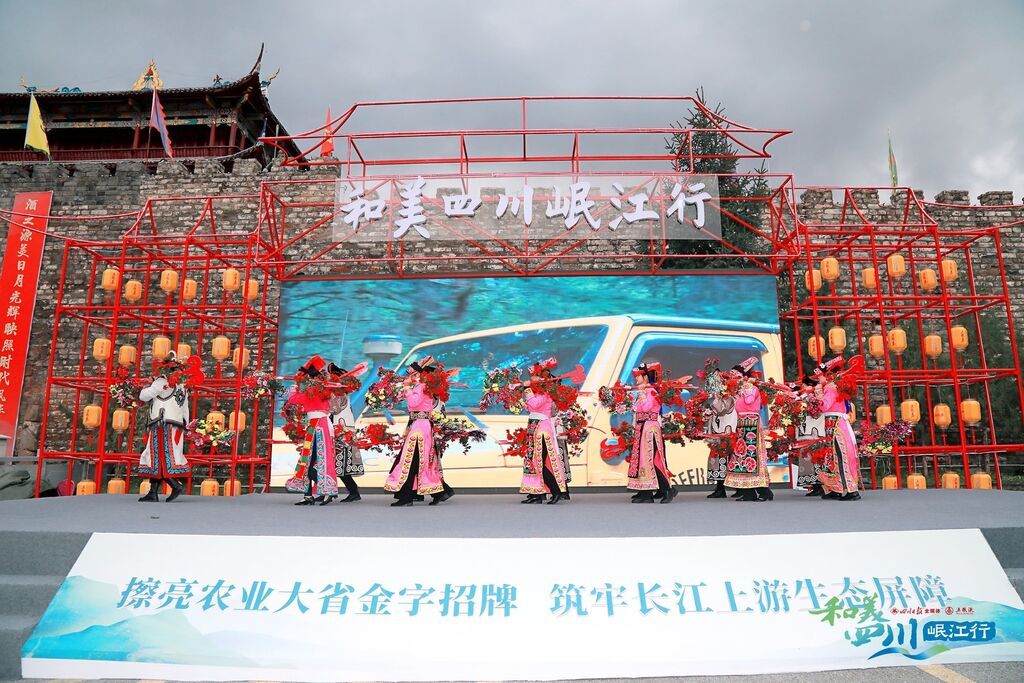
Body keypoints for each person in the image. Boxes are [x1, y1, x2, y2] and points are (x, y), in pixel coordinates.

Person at [384, 356, 454, 507]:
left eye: (413, 374)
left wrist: (407, 388)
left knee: (411, 460)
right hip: (418, 425)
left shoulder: (422, 387)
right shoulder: (420, 386)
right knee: (417, 461)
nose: (410, 376)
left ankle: (408, 497)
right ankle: (439, 492)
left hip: (420, 427)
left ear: (419, 374)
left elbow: (414, 402)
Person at [137, 352, 200, 503]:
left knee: (159, 455)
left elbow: (143, 396)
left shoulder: (162, 381)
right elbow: (185, 408)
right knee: (162, 455)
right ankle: (153, 491)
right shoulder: (182, 385)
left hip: (162, 422)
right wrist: (185, 425)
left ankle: (174, 485)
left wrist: (148, 385)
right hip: (176, 423)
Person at [284, 355, 340, 505]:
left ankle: (328, 490)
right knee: (308, 462)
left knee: (320, 460)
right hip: (315, 426)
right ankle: (309, 495)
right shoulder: (319, 389)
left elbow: (294, 399)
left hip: (320, 426)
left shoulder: (316, 390)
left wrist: (294, 388)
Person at [519, 358, 571, 504]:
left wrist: (527, 389)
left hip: (542, 429)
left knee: (540, 463)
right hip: (533, 428)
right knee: (532, 462)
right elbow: (530, 407)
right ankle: (537, 493)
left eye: (534, 376)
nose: (532, 378)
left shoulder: (546, 392)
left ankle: (556, 491)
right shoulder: (537, 392)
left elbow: (534, 405)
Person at [724, 357, 772, 502]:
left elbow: (749, 401)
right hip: (742, 423)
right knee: (742, 455)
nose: (734, 379)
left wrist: (747, 387)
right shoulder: (739, 390)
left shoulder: (751, 388)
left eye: (737, 377)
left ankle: (762, 491)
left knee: (752, 455)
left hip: (751, 423)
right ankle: (750, 491)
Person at [628, 362, 676, 504]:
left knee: (653, 460)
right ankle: (645, 492)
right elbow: (637, 409)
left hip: (649, 429)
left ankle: (667, 489)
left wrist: (642, 394)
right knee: (643, 460)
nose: (636, 379)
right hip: (642, 428)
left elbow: (646, 408)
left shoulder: (652, 391)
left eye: (638, 377)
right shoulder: (645, 391)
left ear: (645, 377)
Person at [815, 356, 862, 501]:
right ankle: (837, 488)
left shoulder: (830, 387)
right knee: (834, 456)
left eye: (821, 376)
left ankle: (850, 490)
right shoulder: (836, 385)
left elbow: (824, 406)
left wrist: (818, 392)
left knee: (840, 456)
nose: (819, 379)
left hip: (835, 424)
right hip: (835, 423)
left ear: (828, 375)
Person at [327, 362, 363, 503]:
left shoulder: (340, 394)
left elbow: (333, 410)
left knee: (340, 464)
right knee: (339, 465)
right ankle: (352, 491)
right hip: (341, 430)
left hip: (342, 431)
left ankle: (353, 491)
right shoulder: (340, 394)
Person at [793, 374, 825, 497]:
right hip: (806, 433)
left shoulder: (813, 398)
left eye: (804, 385)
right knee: (808, 459)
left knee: (815, 459)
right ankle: (815, 486)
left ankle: (820, 485)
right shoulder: (805, 397)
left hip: (814, 433)